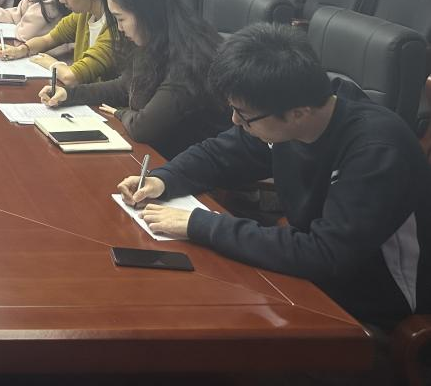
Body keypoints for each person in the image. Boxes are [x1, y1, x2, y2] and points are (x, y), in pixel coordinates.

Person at [119, 23, 431, 332]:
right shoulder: (289, 110)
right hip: (308, 269)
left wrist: (199, 224)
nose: (235, 121)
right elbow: (221, 154)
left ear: (298, 114)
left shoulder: (377, 151)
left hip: (371, 299)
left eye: (244, 115)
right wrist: (163, 179)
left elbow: (327, 254)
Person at [40, 0, 228, 158]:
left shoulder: (189, 58)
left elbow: (143, 128)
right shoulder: (155, 40)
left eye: (121, 19)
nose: (120, 29)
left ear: (146, 13)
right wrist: (69, 95)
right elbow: (125, 86)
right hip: (160, 152)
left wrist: (119, 113)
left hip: (186, 162)